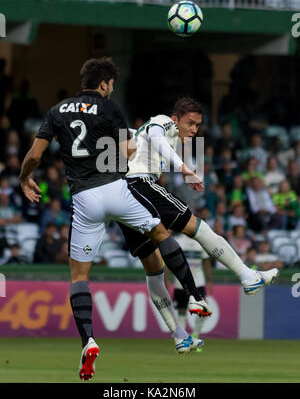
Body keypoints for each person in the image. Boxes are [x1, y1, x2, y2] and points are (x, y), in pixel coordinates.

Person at [19, 58, 210, 381]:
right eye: (111, 85)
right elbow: (129, 151)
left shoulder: (57, 111)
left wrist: (26, 178)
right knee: (163, 234)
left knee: (79, 276)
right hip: (117, 190)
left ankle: (89, 340)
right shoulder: (110, 108)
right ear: (105, 83)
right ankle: (194, 296)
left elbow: (36, 155)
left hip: (84, 198)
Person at [117, 96, 279, 321]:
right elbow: (155, 137)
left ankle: (182, 327)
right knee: (200, 229)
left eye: (197, 125)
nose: (194, 130)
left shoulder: (154, 135)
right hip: (141, 185)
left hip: (130, 192)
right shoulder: (163, 121)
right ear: (175, 119)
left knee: (158, 260)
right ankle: (245, 277)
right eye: (190, 123)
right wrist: (183, 168)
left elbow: (133, 137)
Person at [165, 232, 213, 351]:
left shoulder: (200, 240)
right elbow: (168, 261)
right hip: (180, 282)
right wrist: (166, 278)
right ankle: (184, 339)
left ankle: (195, 334)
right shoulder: (177, 240)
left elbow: (206, 261)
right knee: (182, 310)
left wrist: (210, 279)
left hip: (199, 281)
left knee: (203, 311)